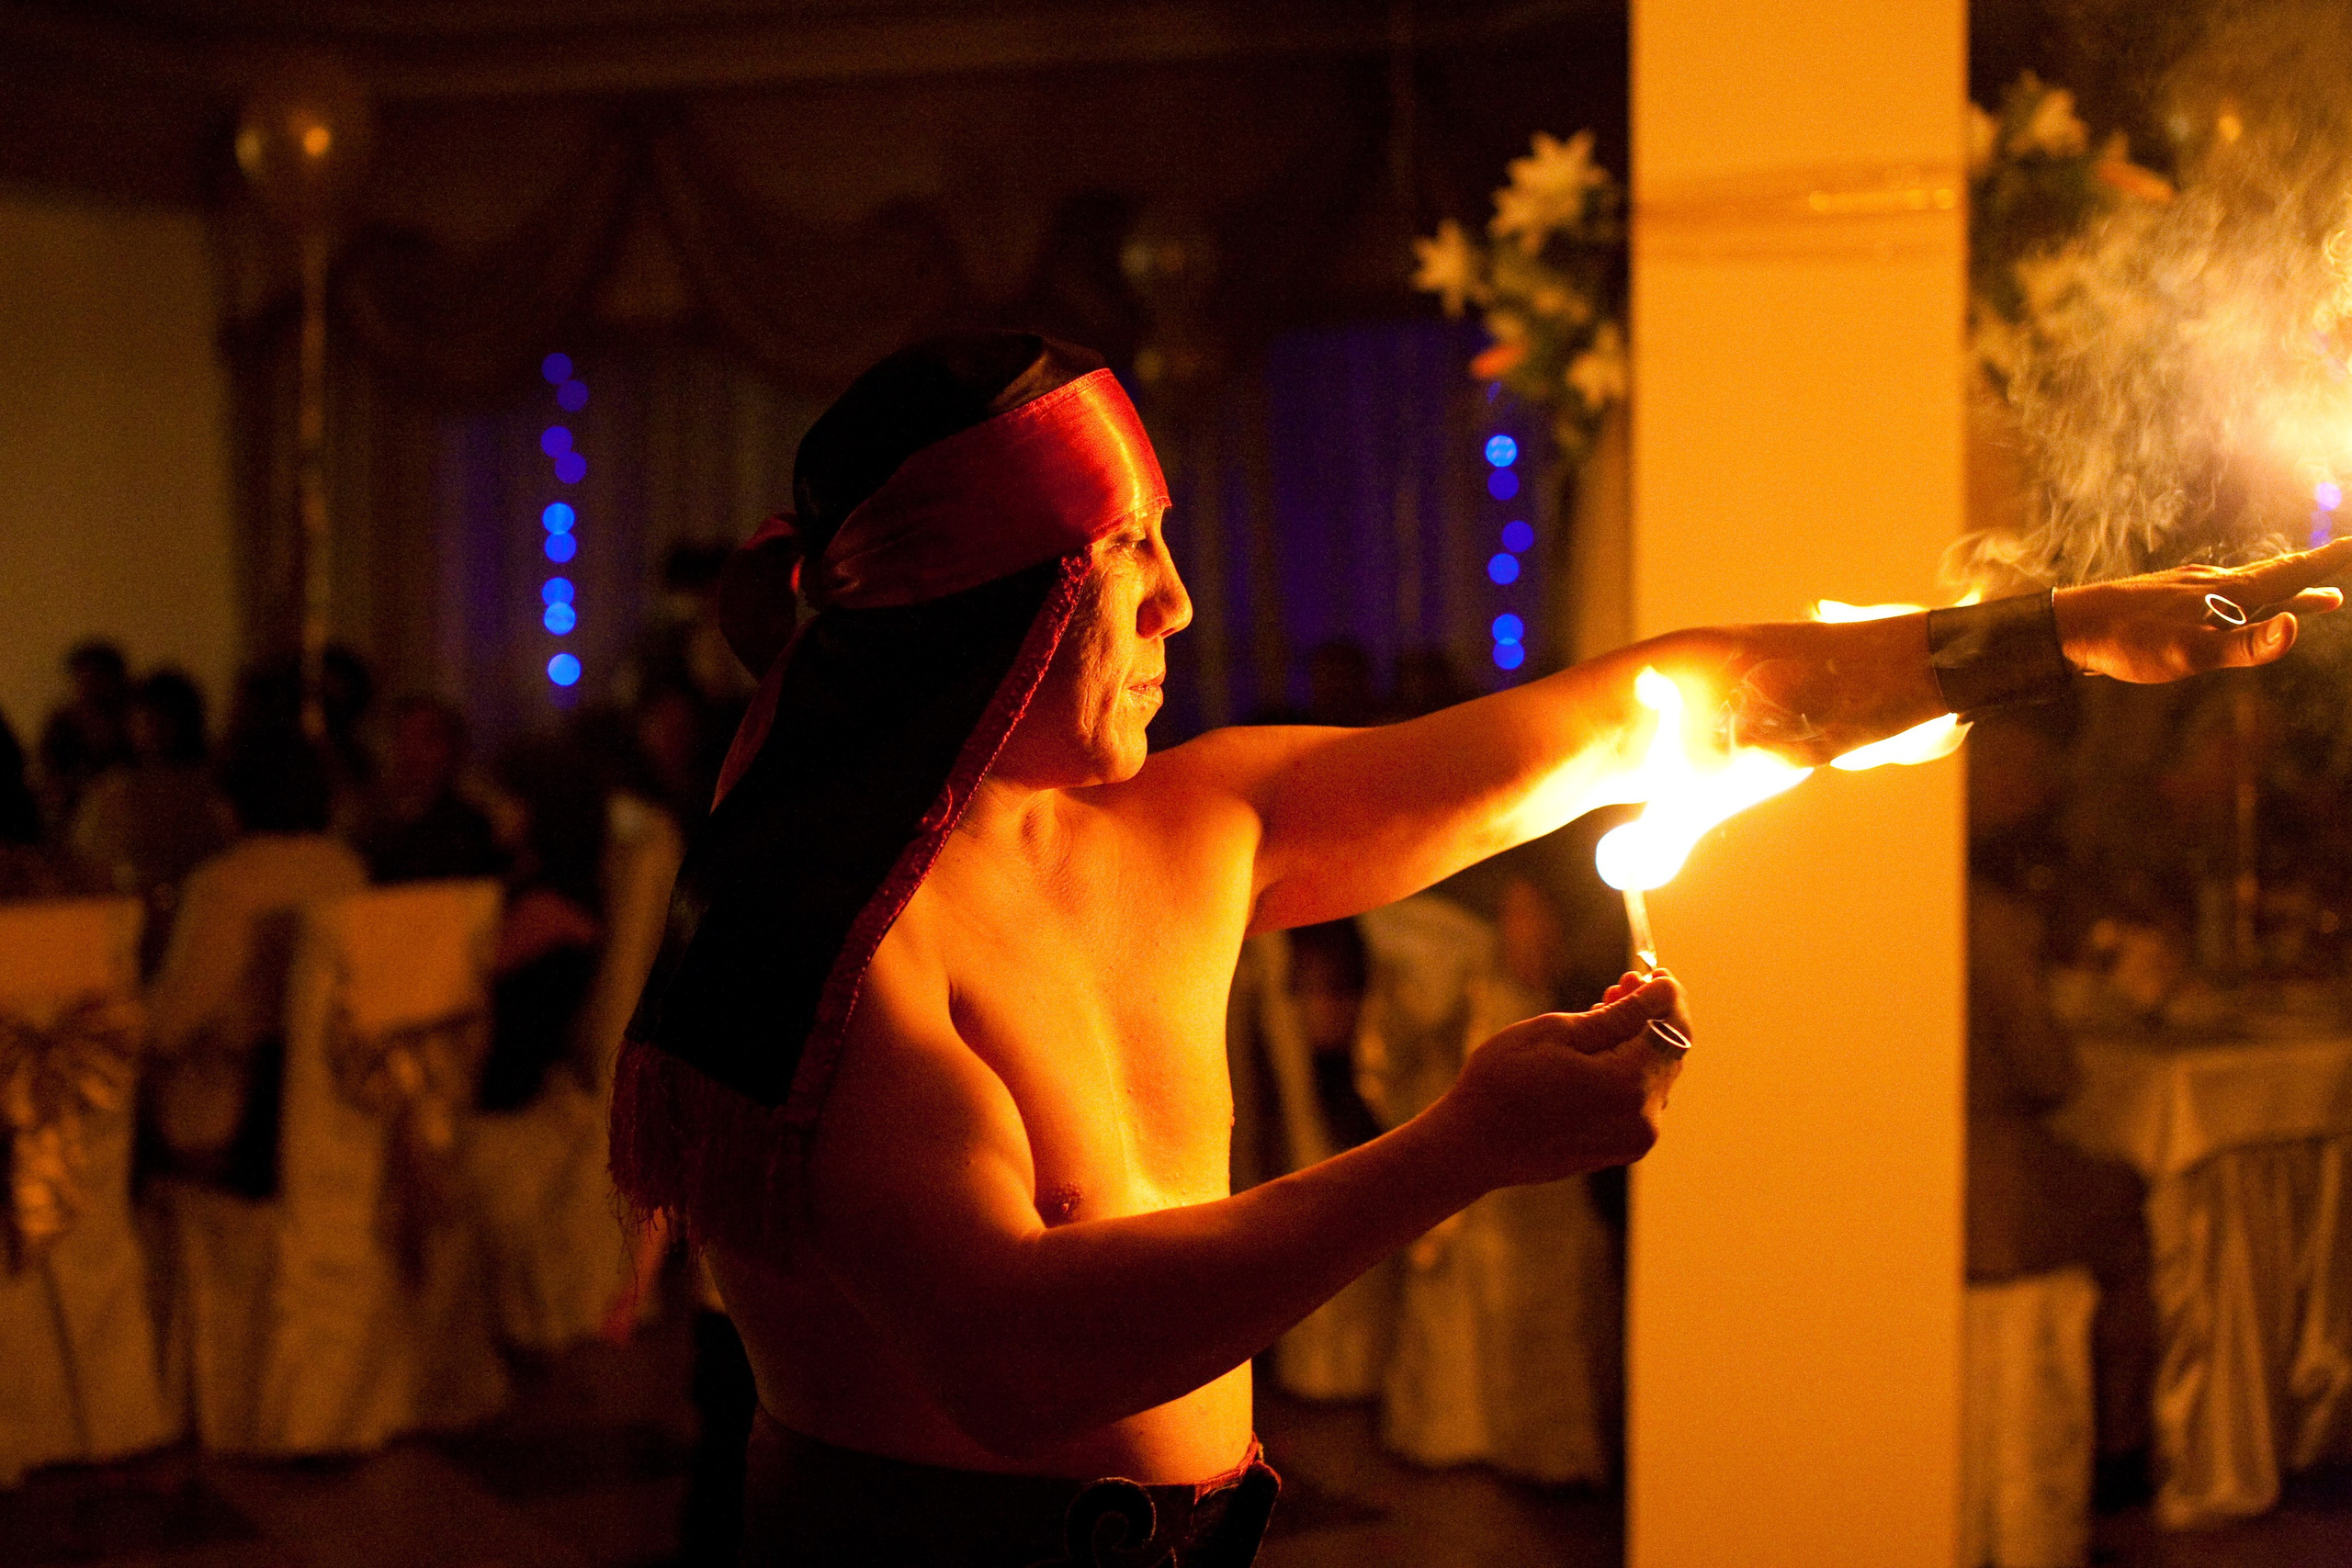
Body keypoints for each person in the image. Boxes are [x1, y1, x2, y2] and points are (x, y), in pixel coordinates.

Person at [610, 331, 2352, 1566]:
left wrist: (2056, 635)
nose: (1179, 608)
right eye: (1124, 560)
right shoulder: (816, 944)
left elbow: (1658, 713)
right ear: (988, 607)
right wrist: (1458, 1150)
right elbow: (1018, 1362)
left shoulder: (1195, 821)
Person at [144, 723, 366, 1196]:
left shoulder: (227, 883)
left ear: (233, 799)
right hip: (331, 1104)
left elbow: (170, 1025)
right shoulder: (346, 869)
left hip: (237, 1114)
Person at [71, 669, 235, 970]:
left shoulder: (213, 791)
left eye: (165, 719)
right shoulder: (113, 789)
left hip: (197, 919)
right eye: (143, 718)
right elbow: (87, 861)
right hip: (123, 918)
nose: (152, 728)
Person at [358, 695, 503, 885]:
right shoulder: (372, 826)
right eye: (404, 736)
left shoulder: (468, 829)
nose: (413, 749)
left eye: (427, 738)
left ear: (455, 749)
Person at [37, 639, 132, 833]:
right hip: (73, 813)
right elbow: (50, 773)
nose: (88, 685)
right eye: (82, 678)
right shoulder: (61, 724)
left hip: (125, 810)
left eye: (97, 677)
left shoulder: (134, 723)